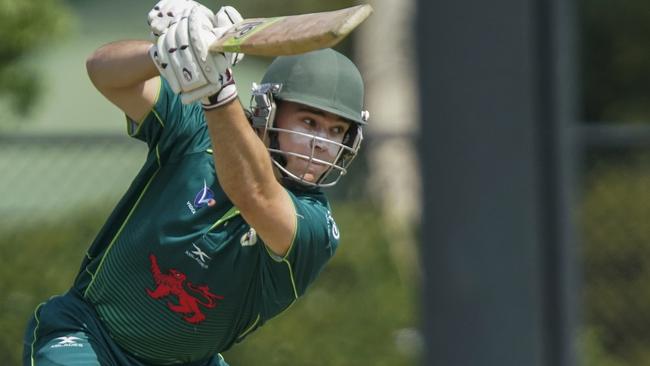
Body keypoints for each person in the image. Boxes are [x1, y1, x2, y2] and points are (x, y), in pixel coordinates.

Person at [22, 0, 369, 365]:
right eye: (309, 123)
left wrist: (217, 91)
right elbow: (103, 72)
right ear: (266, 109)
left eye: (336, 131)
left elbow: (255, 195)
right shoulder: (197, 128)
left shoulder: (314, 225)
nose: (322, 143)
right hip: (90, 337)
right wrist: (167, 54)